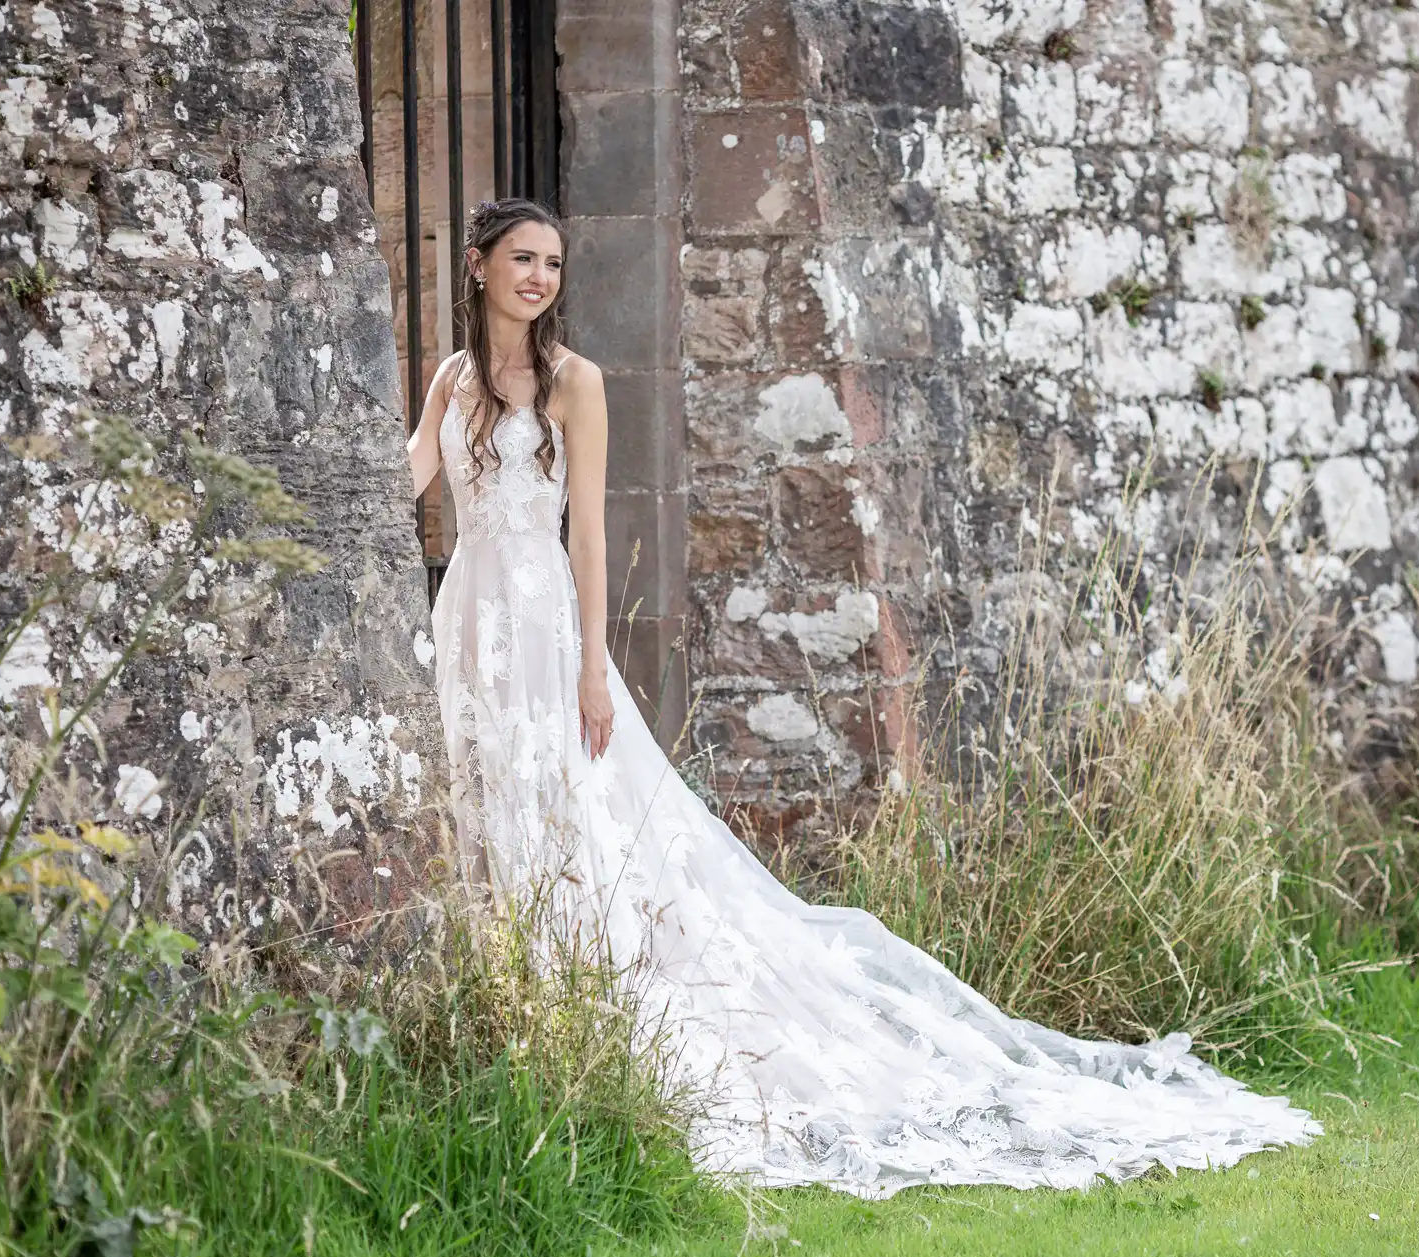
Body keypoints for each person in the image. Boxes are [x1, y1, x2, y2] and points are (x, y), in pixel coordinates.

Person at [404, 197, 1319, 1199]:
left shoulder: (577, 383)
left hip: (542, 617)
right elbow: (406, 481)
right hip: (467, 616)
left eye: (553, 262)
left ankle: (590, 1006)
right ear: (478, 265)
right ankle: (507, 1005)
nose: (540, 276)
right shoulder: (452, 380)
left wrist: (590, 665)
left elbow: (585, 534)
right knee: (485, 801)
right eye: (523, 258)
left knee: (575, 808)